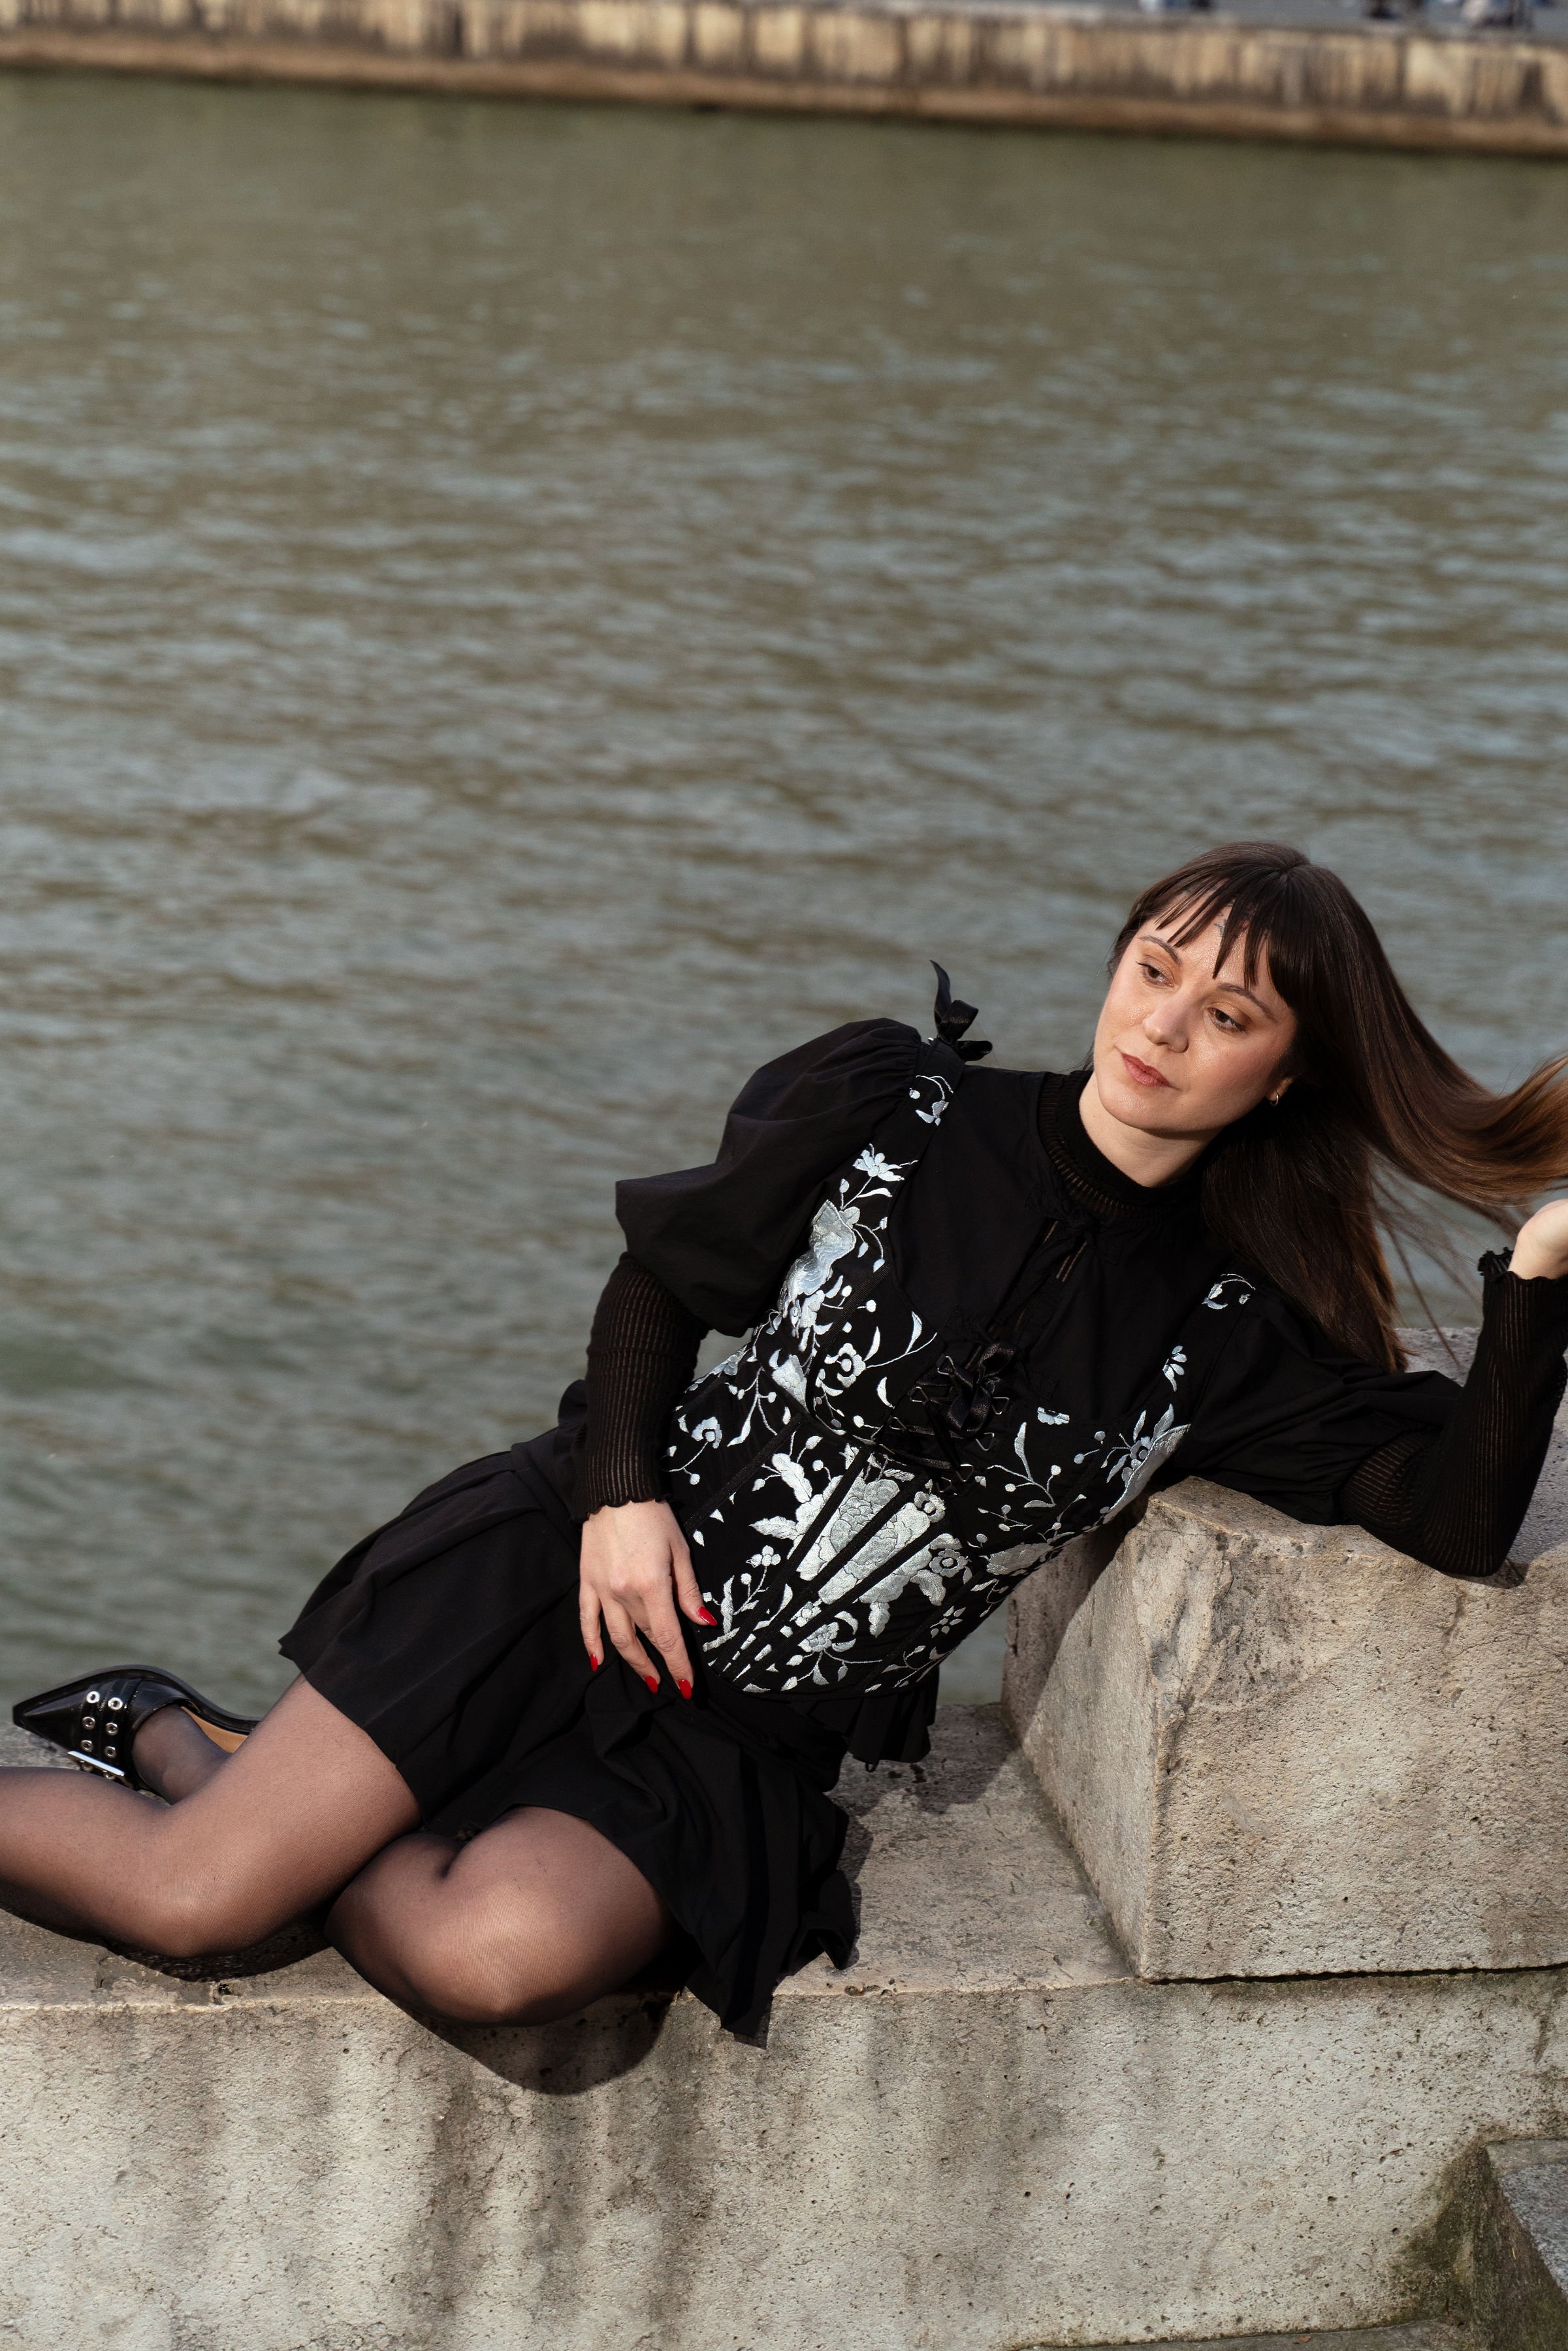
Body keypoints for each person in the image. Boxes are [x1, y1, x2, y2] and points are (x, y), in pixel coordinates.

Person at [8, 840, 1568, 2038]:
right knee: (197, 1900)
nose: (1161, 1025)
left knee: (500, 1968)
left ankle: (245, 1765)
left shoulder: (1230, 1330)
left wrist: (1536, 1283)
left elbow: (1449, 1518)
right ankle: (167, 1737)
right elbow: (657, 1289)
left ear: (1282, 1071)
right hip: (566, 1573)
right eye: (1153, 967)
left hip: (735, 1732)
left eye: (1224, 1013)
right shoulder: (903, 1112)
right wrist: (620, 1496)